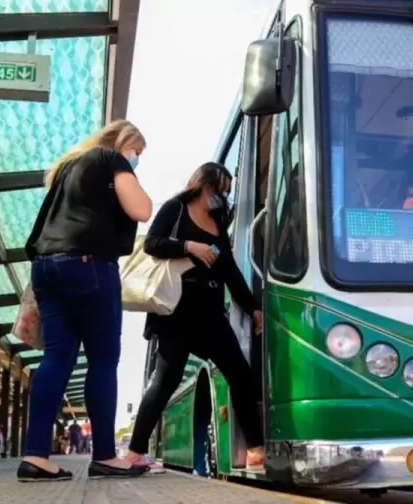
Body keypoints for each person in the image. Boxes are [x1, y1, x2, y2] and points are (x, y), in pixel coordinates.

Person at [18, 120, 154, 482]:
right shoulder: (111, 159)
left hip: (46, 267)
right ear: (125, 143)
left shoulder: (69, 167)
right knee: (103, 360)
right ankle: (106, 456)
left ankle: (35, 456)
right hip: (88, 264)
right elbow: (142, 209)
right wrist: (128, 170)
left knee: (57, 359)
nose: (137, 159)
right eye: (137, 152)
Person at [126, 162, 266, 470]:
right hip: (176, 308)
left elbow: (229, 269)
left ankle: (256, 448)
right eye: (221, 190)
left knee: (239, 372)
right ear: (204, 186)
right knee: (166, 379)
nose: (224, 197)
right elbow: (152, 244)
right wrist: (189, 246)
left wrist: (252, 305)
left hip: (210, 311)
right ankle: (135, 452)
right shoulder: (176, 208)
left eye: (228, 192)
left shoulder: (219, 220)